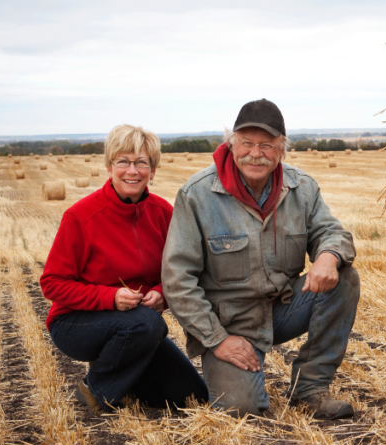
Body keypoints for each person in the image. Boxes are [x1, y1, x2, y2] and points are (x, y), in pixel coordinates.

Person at [162, 99, 360, 419]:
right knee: (243, 411)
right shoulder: (196, 194)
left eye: (267, 145)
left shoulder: (303, 188)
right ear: (231, 144)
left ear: (282, 150)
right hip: (230, 324)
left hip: (282, 309)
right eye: (247, 143)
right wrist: (218, 340)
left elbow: (332, 233)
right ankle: (237, 374)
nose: (256, 153)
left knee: (345, 278)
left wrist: (327, 257)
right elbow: (177, 279)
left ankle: (309, 390)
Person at [40, 124, 208, 412]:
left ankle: (124, 378)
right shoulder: (81, 217)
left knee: (192, 395)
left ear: (152, 171)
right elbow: (52, 283)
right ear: (109, 167)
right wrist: (110, 297)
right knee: (149, 323)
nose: (133, 170)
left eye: (141, 163)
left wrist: (161, 294)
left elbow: (179, 270)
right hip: (76, 323)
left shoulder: (163, 214)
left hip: (137, 327)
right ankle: (94, 390)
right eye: (123, 162)